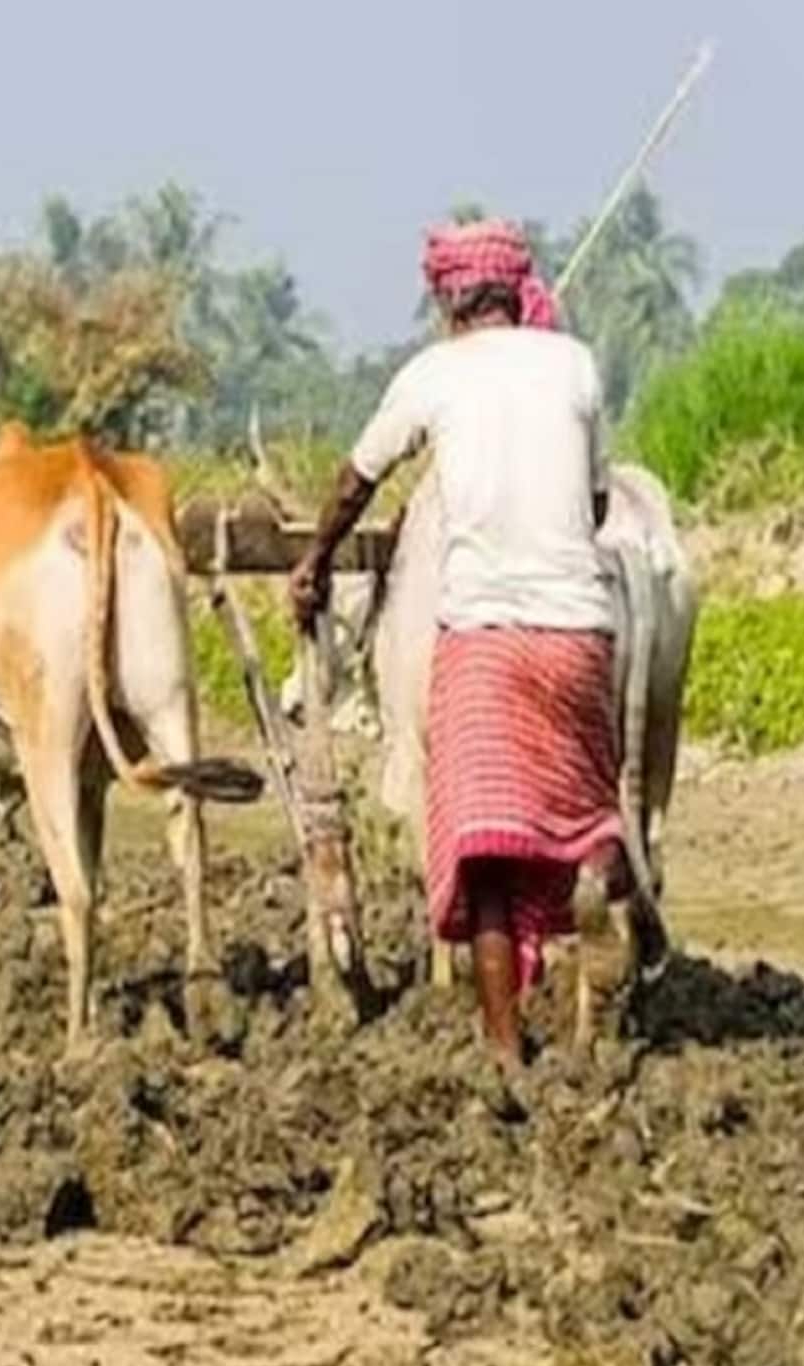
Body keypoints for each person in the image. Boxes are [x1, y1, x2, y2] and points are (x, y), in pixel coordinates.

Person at [289, 218, 628, 1072]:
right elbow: (593, 508)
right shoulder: (576, 365)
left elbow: (356, 479)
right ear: (518, 292)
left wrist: (315, 560)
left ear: (446, 300)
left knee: (479, 852)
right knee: (589, 811)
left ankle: (506, 1050)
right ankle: (594, 876)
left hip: (482, 640)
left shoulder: (433, 375)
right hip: (579, 633)